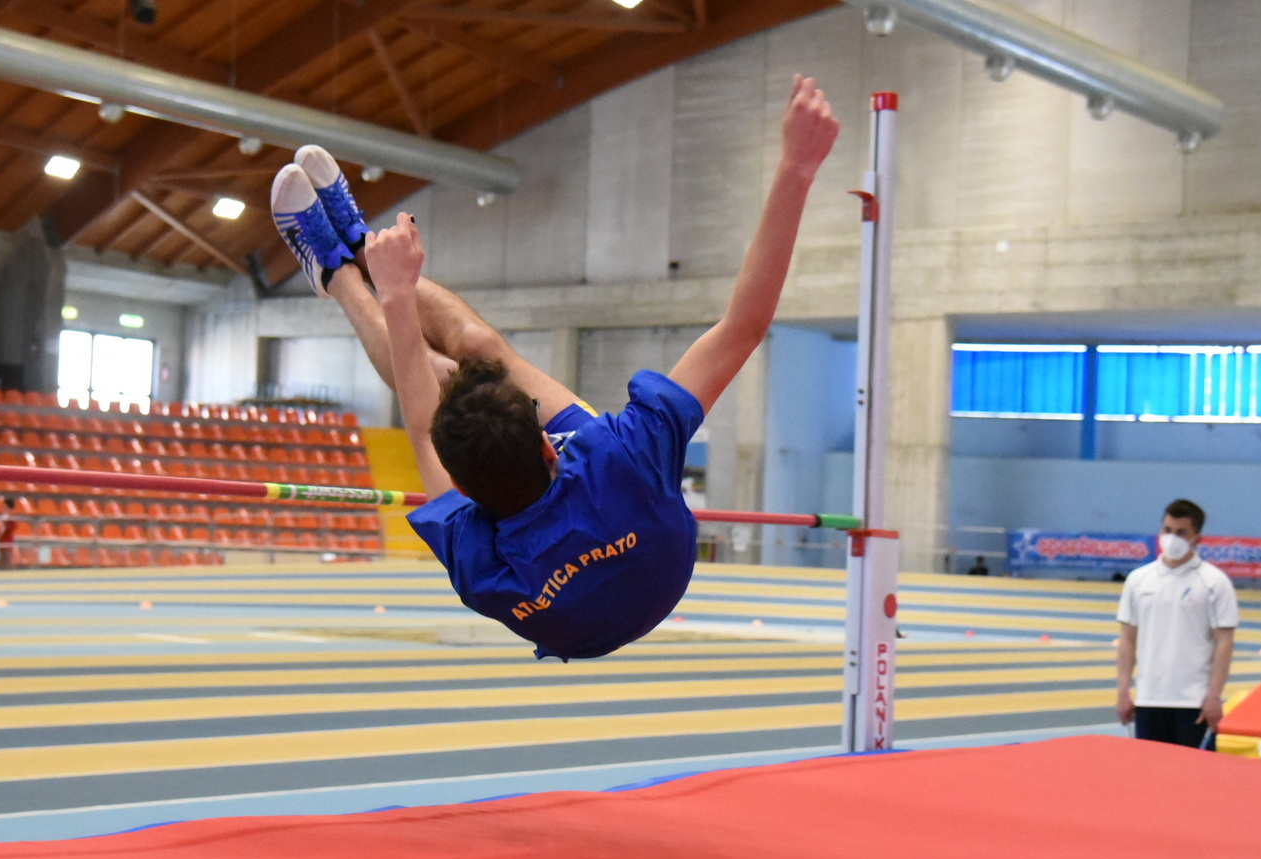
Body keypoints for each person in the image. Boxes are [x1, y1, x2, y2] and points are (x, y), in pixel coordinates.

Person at [270, 75, 841, 659]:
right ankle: (362, 245)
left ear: (467, 490)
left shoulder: (487, 564)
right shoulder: (621, 461)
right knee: (475, 351)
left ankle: (337, 272)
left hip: (603, 585)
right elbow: (741, 329)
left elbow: (421, 419)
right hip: (653, 554)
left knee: (445, 372)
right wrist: (795, 169)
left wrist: (394, 295)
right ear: (550, 446)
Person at [1115, 499, 1237, 746]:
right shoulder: (1138, 580)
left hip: (1193, 702)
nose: (1172, 538)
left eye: (1181, 532)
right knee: (1149, 768)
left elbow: (1224, 643)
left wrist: (1214, 696)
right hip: (1148, 699)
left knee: (1189, 769)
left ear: (1196, 538)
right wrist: (1123, 691)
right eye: (1167, 530)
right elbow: (1127, 639)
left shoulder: (1214, 582)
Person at [0, 496, 20, 570]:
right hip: (1, 541)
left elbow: (13, 527)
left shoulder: (11, 517)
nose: (3, 508)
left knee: (7, 560)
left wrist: (5, 526)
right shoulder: (3, 517)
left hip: (7, 541)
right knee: (2, 561)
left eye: (4, 506)